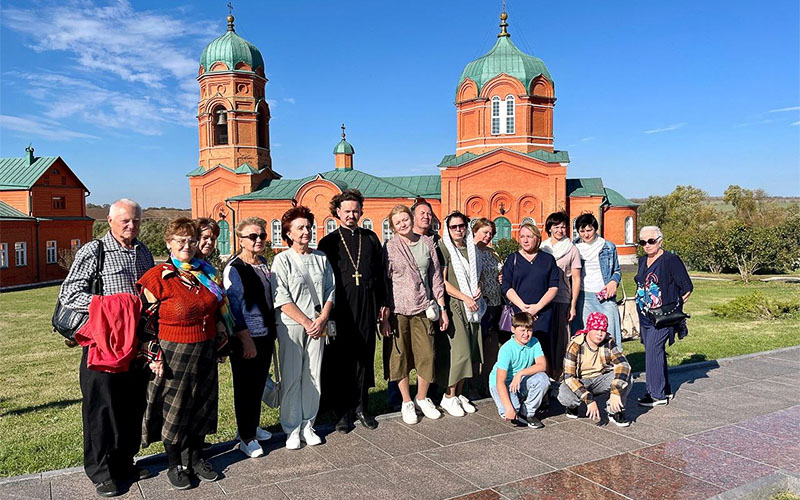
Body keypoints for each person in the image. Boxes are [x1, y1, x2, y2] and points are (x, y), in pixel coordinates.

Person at [59, 198, 155, 498]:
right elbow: (69, 294)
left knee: (132, 405)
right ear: (110, 221)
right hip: (103, 343)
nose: (132, 225)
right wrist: (112, 306)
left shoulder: (143, 251)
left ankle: (124, 461)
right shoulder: (94, 250)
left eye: (136, 220)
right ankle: (100, 471)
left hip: (135, 343)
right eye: (126, 220)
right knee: (101, 408)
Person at [137, 218, 233, 489]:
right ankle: (174, 463)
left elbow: (217, 310)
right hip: (173, 353)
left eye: (191, 240)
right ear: (168, 243)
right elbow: (144, 325)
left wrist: (222, 343)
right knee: (175, 409)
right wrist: (153, 356)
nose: (187, 245)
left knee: (201, 406)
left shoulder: (206, 273)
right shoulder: (157, 278)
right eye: (180, 241)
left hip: (205, 350)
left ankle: (195, 457)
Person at [318, 189, 386, 433]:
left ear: (361, 212)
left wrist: (384, 306)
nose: (351, 215)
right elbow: (322, 280)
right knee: (342, 361)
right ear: (337, 212)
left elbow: (380, 275)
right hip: (340, 310)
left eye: (355, 211)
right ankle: (343, 412)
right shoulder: (328, 242)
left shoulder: (370, 238)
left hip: (367, 306)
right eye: (347, 211)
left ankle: (361, 407)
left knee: (364, 358)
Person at [271, 206, 335, 449]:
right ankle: (291, 428)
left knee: (313, 376)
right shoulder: (282, 260)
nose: (306, 231)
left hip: (318, 326)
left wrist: (322, 318)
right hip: (292, 327)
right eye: (300, 228)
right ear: (288, 232)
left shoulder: (321, 258)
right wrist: (308, 323)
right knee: (292, 377)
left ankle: (308, 424)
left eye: (308, 226)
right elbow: (281, 297)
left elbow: (331, 289)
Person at [381, 205, 448, 425]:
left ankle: (422, 397)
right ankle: (406, 402)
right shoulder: (390, 247)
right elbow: (384, 281)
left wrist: (442, 307)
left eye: (405, 219)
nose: (403, 224)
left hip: (424, 308)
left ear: (411, 219)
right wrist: (384, 313)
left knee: (426, 355)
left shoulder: (427, 243)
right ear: (393, 227)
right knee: (400, 357)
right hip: (399, 310)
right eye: (397, 222)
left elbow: (436, 277)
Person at [223, 217, 276, 458]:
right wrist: (246, 340)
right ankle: (246, 437)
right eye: (252, 236)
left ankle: (251, 426)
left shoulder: (263, 263)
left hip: (264, 334)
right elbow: (234, 307)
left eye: (261, 236)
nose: (258, 240)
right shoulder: (235, 268)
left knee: (258, 384)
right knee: (245, 386)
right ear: (241, 240)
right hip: (247, 338)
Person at [634, 226, 693, 407]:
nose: (647, 245)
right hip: (645, 315)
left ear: (660, 240)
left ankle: (656, 395)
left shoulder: (670, 260)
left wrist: (674, 307)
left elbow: (687, 287)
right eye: (642, 242)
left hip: (662, 317)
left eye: (651, 241)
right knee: (654, 352)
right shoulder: (643, 260)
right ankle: (664, 388)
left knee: (653, 350)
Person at [501, 222, 559, 402]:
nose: (525, 240)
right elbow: (506, 287)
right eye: (523, 236)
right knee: (521, 351)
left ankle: (543, 394)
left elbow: (554, 286)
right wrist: (524, 307)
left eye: (530, 236)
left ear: (537, 238)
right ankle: (517, 389)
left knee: (542, 351)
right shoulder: (513, 259)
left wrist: (536, 307)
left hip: (543, 314)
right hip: (519, 314)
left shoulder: (547, 260)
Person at [436, 211, 486, 417]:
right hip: (456, 304)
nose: (458, 230)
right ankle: (448, 397)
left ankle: (458, 394)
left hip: (474, 306)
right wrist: (465, 298)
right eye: (453, 227)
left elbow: (478, 275)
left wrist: (479, 287)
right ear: (448, 229)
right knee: (460, 352)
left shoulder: (471, 249)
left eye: (461, 226)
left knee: (472, 351)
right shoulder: (444, 248)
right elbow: (442, 281)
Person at [558, 311, 632, 427]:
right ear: (588, 329)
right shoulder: (575, 345)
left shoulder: (608, 342)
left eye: (603, 330)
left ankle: (614, 411)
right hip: (580, 380)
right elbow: (569, 377)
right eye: (596, 329)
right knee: (564, 394)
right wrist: (589, 400)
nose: (600, 334)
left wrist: (615, 391)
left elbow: (623, 364)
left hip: (601, 378)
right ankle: (573, 406)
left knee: (626, 376)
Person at [539, 212, 581, 382]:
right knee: (544, 337)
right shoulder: (542, 248)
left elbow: (576, 278)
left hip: (562, 297)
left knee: (561, 338)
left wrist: (573, 305)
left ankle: (560, 375)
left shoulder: (571, 249)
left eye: (563, 226)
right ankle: (544, 374)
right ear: (549, 228)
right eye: (556, 226)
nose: (560, 229)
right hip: (543, 299)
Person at [489, 312, 549, 428]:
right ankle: (516, 405)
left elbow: (542, 365)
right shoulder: (506, 349)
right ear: (513, 329)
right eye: (522, 331)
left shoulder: (535, 342)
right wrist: (508, 407)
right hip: (503, 383)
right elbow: (500, 381)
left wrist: (520, 374)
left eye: (529, 330)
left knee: (543, 378)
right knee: (510, 411)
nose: (526, 334)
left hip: (519, 380)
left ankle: (528, 412)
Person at [572, 213, 623, 347]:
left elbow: (617, 270)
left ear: (595, 229)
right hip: (584, 296)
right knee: (587, 334)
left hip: (604, 295)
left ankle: (613, 363)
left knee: (609, 331)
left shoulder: (608, 246)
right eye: (582, 231)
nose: (586, 234)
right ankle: (588, 364)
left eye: (589, 230)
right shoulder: (574, 248)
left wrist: (614, 281)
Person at [472, 218, 502, 398]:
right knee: (476, 347)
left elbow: (500, 272)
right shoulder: (470, 252)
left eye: (491, 233)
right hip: (478, 306)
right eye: (485, 232)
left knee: (492, 348)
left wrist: (501, 277)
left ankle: (489, 384)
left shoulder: (493, 252)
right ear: (475, 231)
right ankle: (474, 386)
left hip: (495, 304)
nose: (488, 236)